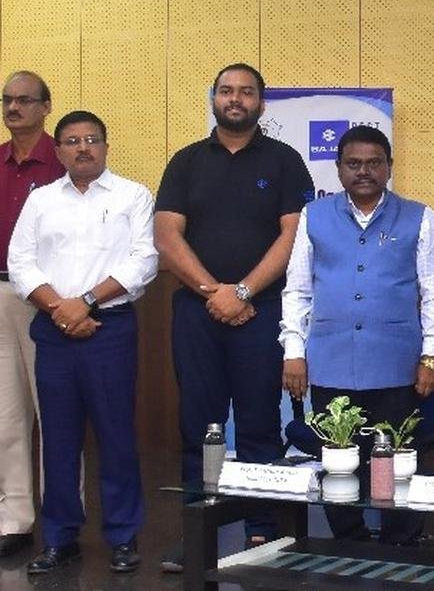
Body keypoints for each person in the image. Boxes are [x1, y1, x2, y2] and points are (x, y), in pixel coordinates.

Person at [154, 63, 314, 570]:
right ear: (214, 99)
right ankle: (199, 534)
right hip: (197, 312)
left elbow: (294, 236)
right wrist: (214, 292)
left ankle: (260, 532)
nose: (235, 99)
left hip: (262, 312)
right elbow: (166, 236)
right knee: (197, 426)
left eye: (246, 92)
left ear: (261, 103)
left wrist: (242, 291)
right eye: (226, 91)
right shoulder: (185, 161)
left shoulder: (285, 160)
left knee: (259, 424)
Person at [280, 124, 434, 543]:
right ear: (338, 168)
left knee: (398, 462)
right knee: (339, 460)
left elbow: (433, 293)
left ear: (389, 166)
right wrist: (293, 351)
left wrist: (431, 356)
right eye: (353, 163)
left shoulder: (420, 217)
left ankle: (401, 544)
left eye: (374, 163)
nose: (364, 171)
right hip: (330, 360)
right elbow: (298, 289)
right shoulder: (313, 216)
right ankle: (349, 542)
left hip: (396, 364)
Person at [8, 110, 157, 574]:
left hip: (109, 329)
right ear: (59, 151)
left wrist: (87, 302)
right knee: (58, 438)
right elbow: (20, 261)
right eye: (72, 141)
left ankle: (123, 537)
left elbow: (144, 260)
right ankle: (59, 538)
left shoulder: (133, 195)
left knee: (115, 435)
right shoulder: (41, 200)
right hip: (53, 330)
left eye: (92, 139)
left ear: (106, 146)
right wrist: (62, 309)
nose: (83, 148)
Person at [0, 71, 63, 559]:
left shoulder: (65, 162)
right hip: (1, 292)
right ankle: (14, 520)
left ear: (45, 107)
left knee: (56, 413)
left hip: (52, 299)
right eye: (7, 100)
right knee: (7, 415)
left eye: (24, 100)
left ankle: (62, 518)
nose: (13, 108)